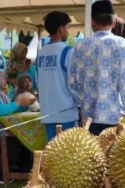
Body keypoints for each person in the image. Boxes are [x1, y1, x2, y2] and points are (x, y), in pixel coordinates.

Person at [69, 0, 125, 135]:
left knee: (93, 154)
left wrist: (83, 102)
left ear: (92, 22)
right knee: (112, 154)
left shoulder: (81, 46)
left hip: (89, 117)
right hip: (115, 117)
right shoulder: (120, 44)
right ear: (113, 23)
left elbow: (73, 83)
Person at [36, 11, 79, 141]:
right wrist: (81, 105)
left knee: (53, 155)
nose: (68, 32)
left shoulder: (41, 53)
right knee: (68, 155)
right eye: (68, 28)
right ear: (61, 29)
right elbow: (74, 84)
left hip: (47, 113)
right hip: (66, 113)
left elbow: (38, 82)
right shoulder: (67, 51)